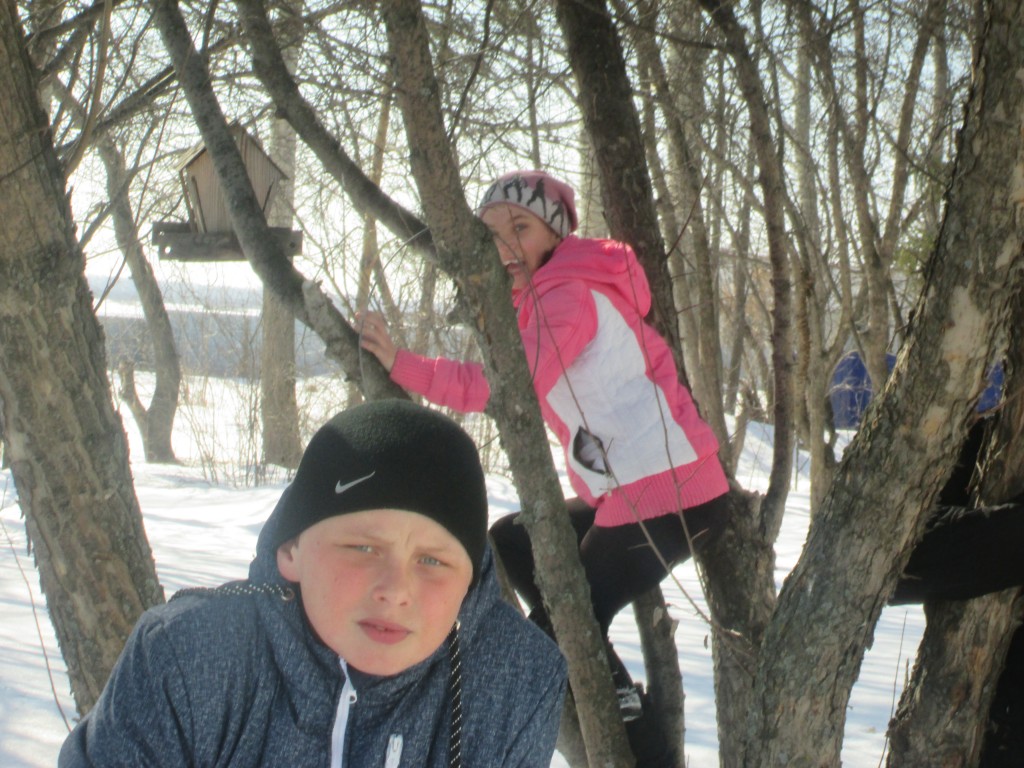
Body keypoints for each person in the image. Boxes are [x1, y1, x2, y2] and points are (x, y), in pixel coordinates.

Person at [358, 170, 730, 760]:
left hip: (670, 494)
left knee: (559, 630)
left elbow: (505, 388)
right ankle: (610, 683)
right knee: (515, 539)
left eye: (521, 228)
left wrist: (402, 364)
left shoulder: (567, 296)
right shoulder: (543, 298)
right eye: (491, 233)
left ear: (555, 236)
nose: (505, 245)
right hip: (642, 492)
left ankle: (634, 737)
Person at [59, 399, 567, 767]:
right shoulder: (187, 657)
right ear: (291, 550)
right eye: (363, 548)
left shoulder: (515, 679)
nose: (396, 590)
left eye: (432, 561)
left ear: (469, 583)